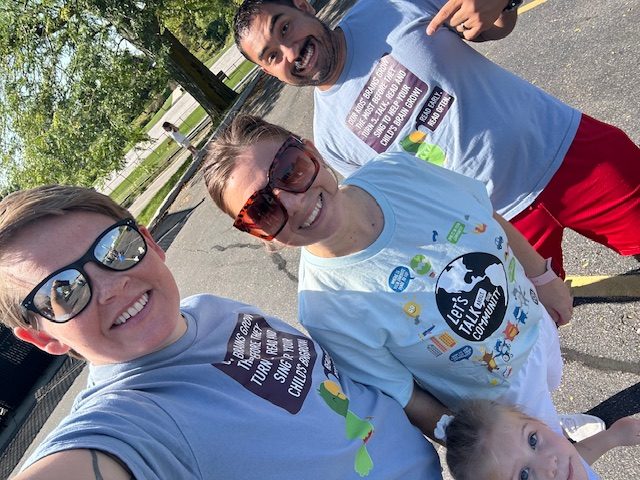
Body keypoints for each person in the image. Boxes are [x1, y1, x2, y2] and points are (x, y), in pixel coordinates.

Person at [203, 115, 600, 456]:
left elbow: (485, 213)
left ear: (310, 151)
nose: (293, 203)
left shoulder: (399, 172)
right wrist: (481, 443)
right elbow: (405, 395)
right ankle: (551, 432)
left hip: (533, 322)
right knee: (557, 461)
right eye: (262, 210)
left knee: (549, 384)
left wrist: (542, 277)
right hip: (499, 401)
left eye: (289, 171)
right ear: (261, 236)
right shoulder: (327, 309)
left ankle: (553, 421)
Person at [1, 185, 444, 479]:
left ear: (150, 242)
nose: (112, 286)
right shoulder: (130, 419)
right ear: (45, 340)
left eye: (114, 248)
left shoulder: (209, 309)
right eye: (63, 291)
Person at [232, 0, 640, 279]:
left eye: (285, 28)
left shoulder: (389, 7)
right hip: (500, 230)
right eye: (271, 55)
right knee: (538, 336)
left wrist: (501, 4)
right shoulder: (330, 139)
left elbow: (493, 24)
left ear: (304, 6)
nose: (290, 52)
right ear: (269, 71)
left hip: (569, 153)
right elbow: (407, 199)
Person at [441, 400, 640, 480]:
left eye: (533, 440)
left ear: (538, 422)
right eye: (524, 475)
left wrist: (611, 437)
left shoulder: (567, 471)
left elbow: (578, 461)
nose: (550, 463)